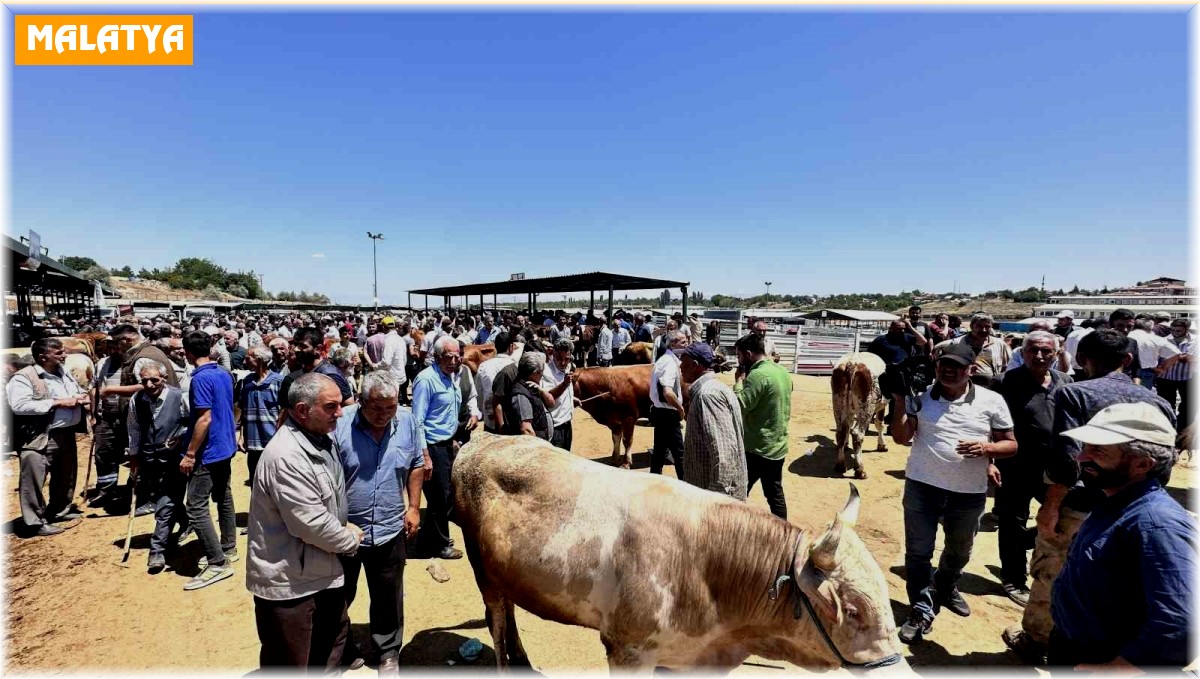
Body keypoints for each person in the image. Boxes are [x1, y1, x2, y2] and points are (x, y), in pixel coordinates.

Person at [1002, 329, 1176, 663]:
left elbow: (1068, 460)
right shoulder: (1160, 403)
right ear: (1127, 361)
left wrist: (1050, 506)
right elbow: (1164, 466)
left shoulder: (1073, 394)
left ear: (1082, 359)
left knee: (1051, 571)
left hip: (1079, 506)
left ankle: (1037, 640)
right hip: (1135, 508)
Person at [890, 341, 1017, 644]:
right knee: (918, 553)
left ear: (971, 369)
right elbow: (900, 437)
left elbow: (1011, 444)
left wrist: (987, 449)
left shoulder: (992, 401)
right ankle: (921, 608)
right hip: (922, 487)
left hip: (968, 493)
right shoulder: (919, 398)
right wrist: (898, 400)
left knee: (959, 550)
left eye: (957, 366)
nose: (948, 370)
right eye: (943, 365)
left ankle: (945, 585)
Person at [1049, 403, 1194, 668]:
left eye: (1098, 450)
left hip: (1102, 659)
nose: (1081, 458)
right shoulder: (1113, 500)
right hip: (1072, 647)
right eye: (1086, 446)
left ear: (1142, 463)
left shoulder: (1158, 525)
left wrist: (1114, 670)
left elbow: (1181, 626)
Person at [246, 373, 364, 670]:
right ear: (301, 410)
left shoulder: (321, 439)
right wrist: (349, 539)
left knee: (329, 651)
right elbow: (310, 524)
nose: (340, 412)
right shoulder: (286, 455)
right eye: (331, 406)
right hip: (292, 584)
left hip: (320, 571)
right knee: (292, 661)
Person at [334, 372, 423, 675]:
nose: (384, 415)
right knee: (338, 593)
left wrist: (413, 507)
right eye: (376, 408)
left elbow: (416, 464)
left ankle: (387, 652)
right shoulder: (339, 423)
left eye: (391, 407)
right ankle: (341, 650)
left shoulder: (408, 421)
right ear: (360, 402)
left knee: (388, 593)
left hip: (389, 526)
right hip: (342, 531)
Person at [991, 331, 1072, 606]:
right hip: (1015, 467)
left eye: (1046, 351)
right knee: (1012, 521)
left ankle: (1028, 547)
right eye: (1033, 351)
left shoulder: (1065, 382)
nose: (1039, 356)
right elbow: (988, 425)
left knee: (1062, 517)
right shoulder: (1004, 383)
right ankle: (1013, 578)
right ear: (1022, 353)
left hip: (1056, 468)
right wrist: (990, 461)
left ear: (1056, 353)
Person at [7, 338, 89, 537]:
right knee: (34, 479)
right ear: (43, 357)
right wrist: (57, 403)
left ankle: (59, 510)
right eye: (58, 352)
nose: (64, 355)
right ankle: (34, 522)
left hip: (65, 433)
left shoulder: (63, 372)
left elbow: (74, 392)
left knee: (65, 475)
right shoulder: (23, 377)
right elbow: (19, 406)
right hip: (40, 436)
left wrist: (81, 397)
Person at [180, 330, 239, 591]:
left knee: (195, 505)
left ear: (187, 353)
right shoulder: (223, 374)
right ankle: (228, 547)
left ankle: (218, 563)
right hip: (224, 445)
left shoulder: (200, 379)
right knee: (223, 496)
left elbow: (204, 418)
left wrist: (190, 453)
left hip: (208, 450)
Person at [127, 361, 191, 574]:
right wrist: (134, 455)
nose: (149, 384)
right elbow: (134, 428)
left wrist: (181, 438)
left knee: (163, 504)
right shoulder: (137, 400)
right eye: (144, 380)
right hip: (149, 458)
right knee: (167, 497)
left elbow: (194, 423)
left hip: (175, 460)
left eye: (154, 379)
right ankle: (185, 520)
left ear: (164, 378)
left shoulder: (180, 396)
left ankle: (157, 550)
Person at [411, 337, 462, 560]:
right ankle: (439, 544)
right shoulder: (426, 380)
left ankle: (427, 539)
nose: (453, 361)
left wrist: (452, 438)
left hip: (445, 444)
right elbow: (417, 421)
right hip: (431, 447)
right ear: (438, 357)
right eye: (448, 357)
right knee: (439, 497)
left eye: (456, 356)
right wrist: (425, 456)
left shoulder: (450, 378)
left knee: (446, 494)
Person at [733, 332, 793, 519]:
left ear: (749, 354)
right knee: (774, 493)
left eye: (739, 356)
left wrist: (738, 382)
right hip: (777, 444)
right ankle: (784, 531)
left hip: (757, 446)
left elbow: (740, 405)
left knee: (739, 491)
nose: (739, 361)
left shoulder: (757, 375)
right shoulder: (781, 371)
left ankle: (732, 528)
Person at [678, 343, 747, 499]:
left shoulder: (708, 396)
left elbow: (724, 455)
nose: (680, 367)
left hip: (711, 499)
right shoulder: (714, 389)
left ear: (695, 365)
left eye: (684, 362)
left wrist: (716, 501)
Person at [278, 328, 356, 418]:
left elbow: (349, 409)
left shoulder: (330, 375)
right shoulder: (298, 374)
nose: (296, 349)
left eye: (303, 346)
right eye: (295, 345)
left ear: (318, 349)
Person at [237, 345, 283, 486]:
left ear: (260, 360)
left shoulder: (279, 382)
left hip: (274, 444)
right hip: (253, 444)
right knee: (255, 483)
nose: (245, 361)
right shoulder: (247, 382)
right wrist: (242, 436)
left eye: (248, 357)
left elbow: (285, 413)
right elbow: (243, 410)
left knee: (275, 484)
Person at [649, 331, 688, 476]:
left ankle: (654, 478)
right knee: (679, 452)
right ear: (673, 344)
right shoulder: (670, 364)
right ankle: (685, 484)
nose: (686, 344)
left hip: (660, 412)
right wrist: (680, 408)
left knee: (659, 450)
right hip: (668, 413)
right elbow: (668, 392)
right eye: (683, 342)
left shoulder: (664, 360)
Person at [935, 312, 1011, 387]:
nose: (983, 330)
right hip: (962, 388)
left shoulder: (1000, 344)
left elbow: (1007, 367)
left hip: (990, 388)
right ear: (971, 326)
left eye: (987, 326)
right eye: (979, 326)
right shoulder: (957, 343)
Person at [505, 352, 554, 441]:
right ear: (534, 373)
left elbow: (551, 404)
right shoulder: (521, 394)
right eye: (541, 373)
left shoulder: (533, 387)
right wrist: (539, 450)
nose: (542, 376)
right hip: (537, 448)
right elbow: (526, 429)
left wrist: (542, 391)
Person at [540, 338, 577, 451]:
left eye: (567, 359)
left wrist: (572, 399)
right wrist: (564, 384)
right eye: (559, 358)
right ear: (553, 354)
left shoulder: (568, 367)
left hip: (567, 424)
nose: (563, 363)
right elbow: (548, 398)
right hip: (554, 427)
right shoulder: (546, 372)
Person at [478, 332, 518, 434]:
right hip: (511, 422)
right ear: (511, 347)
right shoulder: (515, 367)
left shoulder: (484, 366)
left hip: (489, 421)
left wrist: (484, 414)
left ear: (495, 347)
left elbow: (478, 394)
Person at [1156, 318, 1194, 425]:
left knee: (1189, 404)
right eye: (1172, 330)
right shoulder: (1163, 340)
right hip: (1166, 377)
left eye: (1178, 331)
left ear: (1187, 330)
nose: (1174, 333)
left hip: (1187, 377)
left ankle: (1183, 425)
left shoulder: (1196, 340)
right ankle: (1169, 424)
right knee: (1166, 403)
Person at [1126, 317, 1180, 391]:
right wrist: (1162, 368)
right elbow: (1175, 353)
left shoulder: (1126, 336)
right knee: (1143, 398)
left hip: (1126, 371)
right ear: (1151, 327)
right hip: (1147, 372)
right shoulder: (1155, 339)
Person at [377, 317, 409, 403]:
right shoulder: (400, 339)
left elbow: (386, 362)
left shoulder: (389, 341)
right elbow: (404, 360)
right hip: (400, 376)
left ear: (384, 327)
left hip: (391, 378)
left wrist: (375, 366)